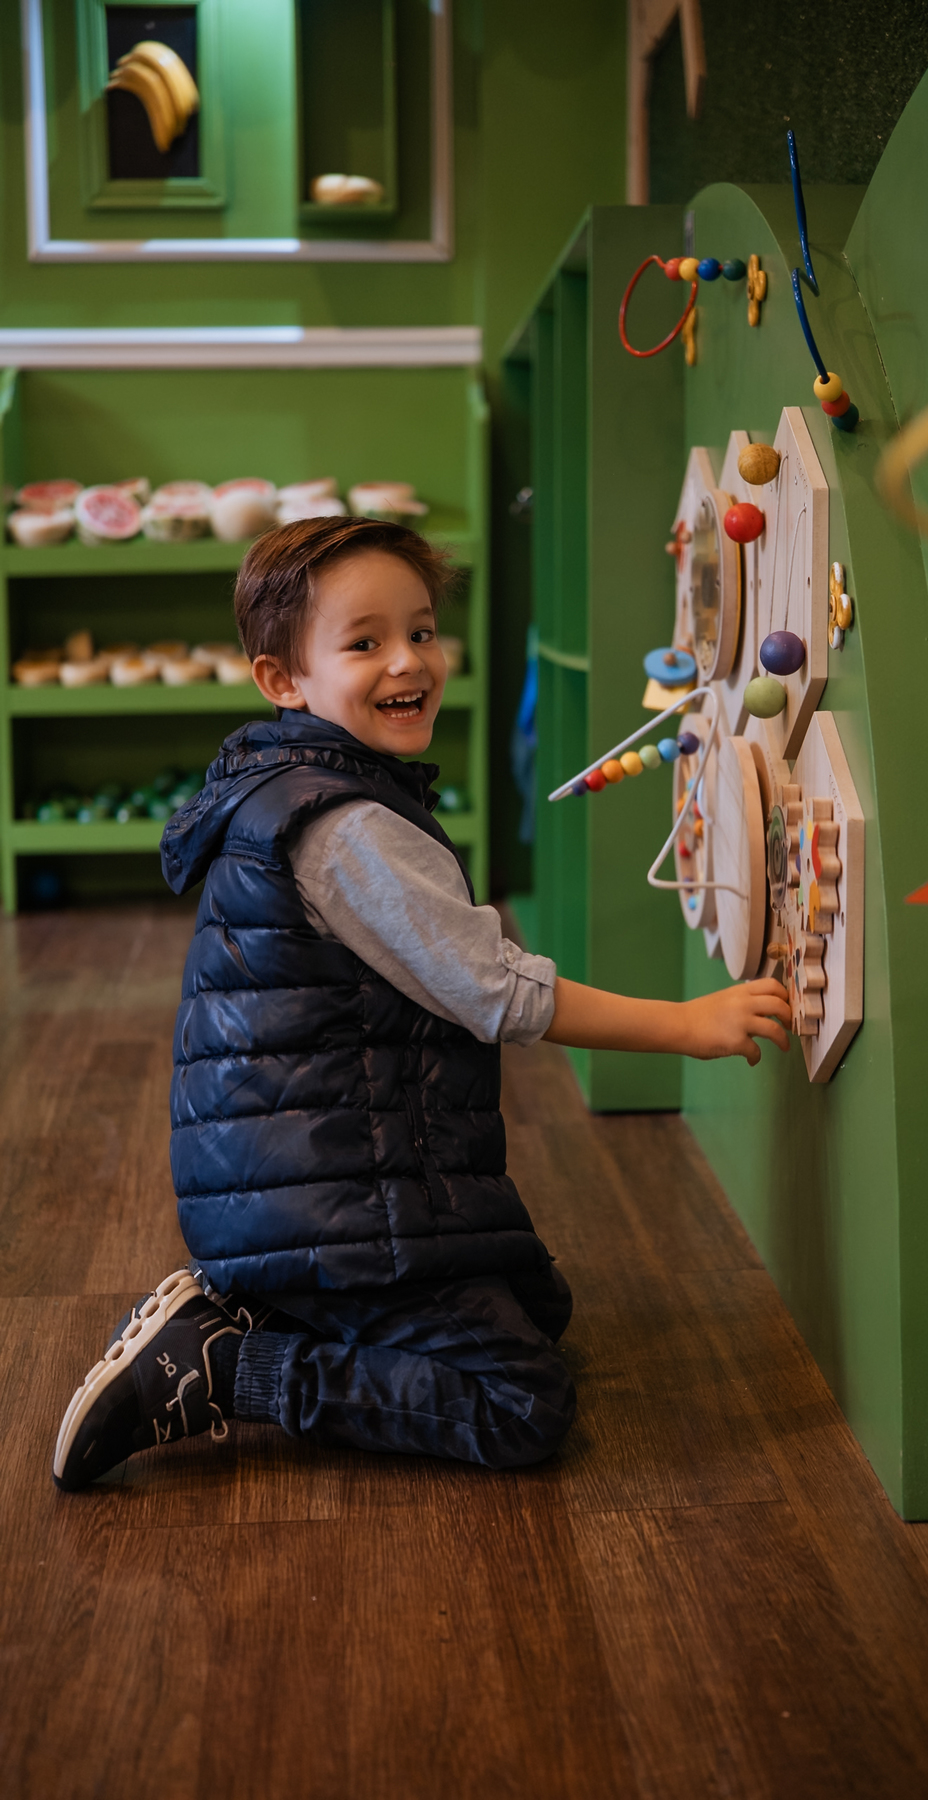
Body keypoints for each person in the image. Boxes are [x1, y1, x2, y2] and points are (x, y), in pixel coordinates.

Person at [52, 516, 791, 1491]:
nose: (409, 661)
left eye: (423, 630)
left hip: (298, 1181)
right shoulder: (347, 824)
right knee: (521, 1400)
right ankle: (231, 1366)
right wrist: (688, 1027)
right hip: (324, 1197)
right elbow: (493, 989)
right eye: (365, 643)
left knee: (539, 1310)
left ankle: (264, 1309)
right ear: (285, 679)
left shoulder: (297, 778)